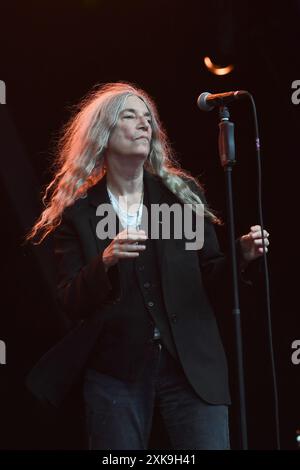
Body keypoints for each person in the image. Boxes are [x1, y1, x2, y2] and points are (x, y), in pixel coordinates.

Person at [26, 82, 269, 450]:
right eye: (130, 116)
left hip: (191, 365)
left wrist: (241, 254)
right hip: (116, 371)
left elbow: (210, 277)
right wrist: (105, 261)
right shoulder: (79, 214)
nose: (144, 125)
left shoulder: (180, 195)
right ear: (104, 133)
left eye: (148, 118)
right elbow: (70, 299)